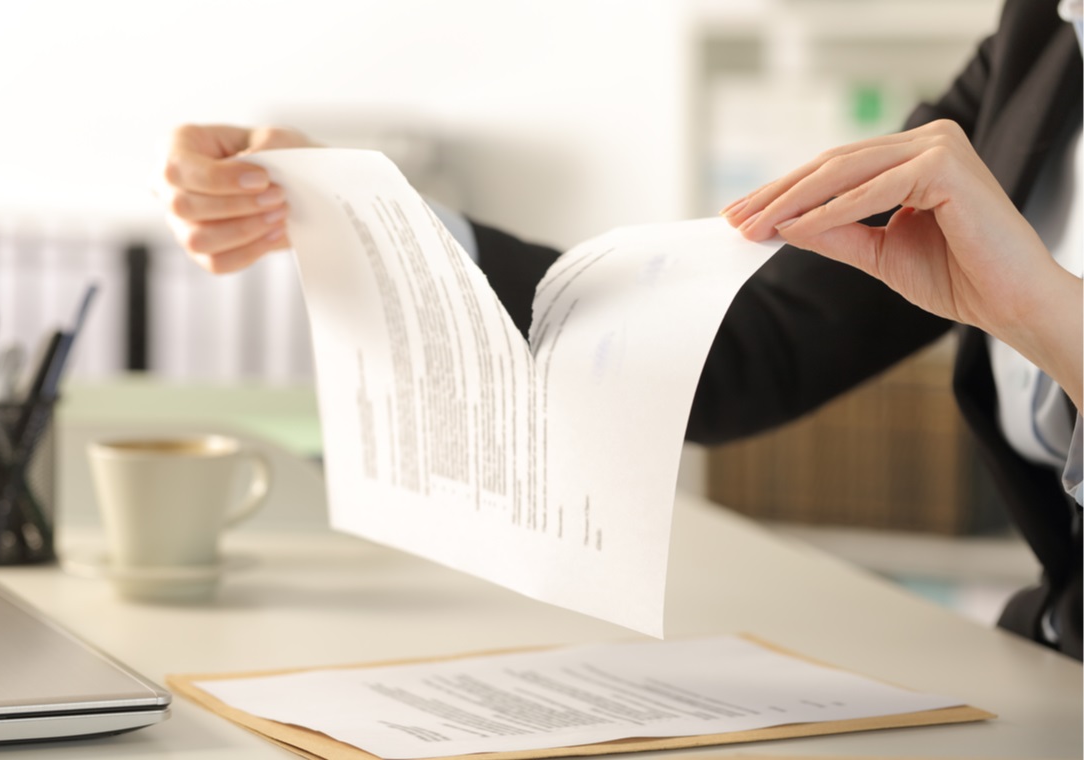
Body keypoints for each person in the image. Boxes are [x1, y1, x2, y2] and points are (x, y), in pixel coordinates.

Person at [158, 0, 1083, 658]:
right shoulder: (1041, 36)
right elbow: (745, 352)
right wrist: (372, 213)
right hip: (1039, 659)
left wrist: (1045, 316)